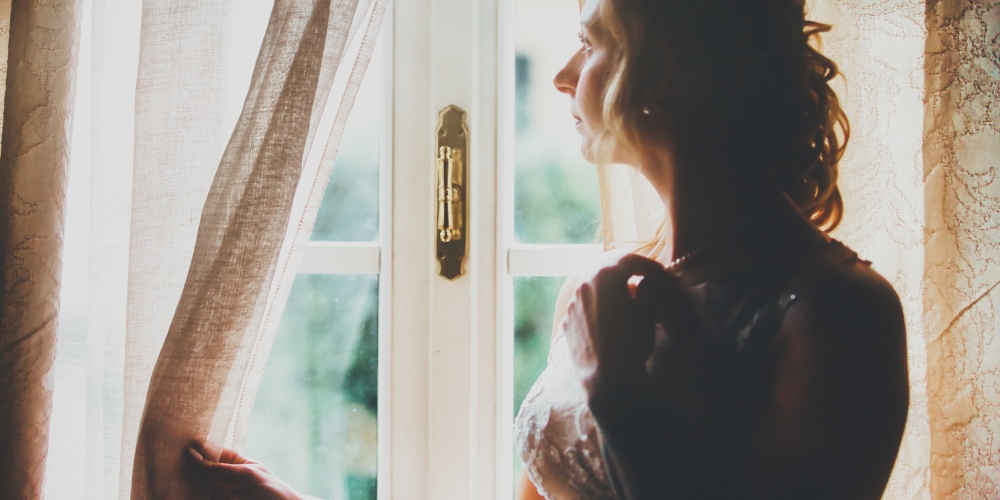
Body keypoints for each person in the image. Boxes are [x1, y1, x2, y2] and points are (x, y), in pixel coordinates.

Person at [512, 0, 909, 499]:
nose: (561, 77)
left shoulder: (838, 311)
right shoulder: (599, 290)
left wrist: (616, 396)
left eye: (589, 45)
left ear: (657, 70)